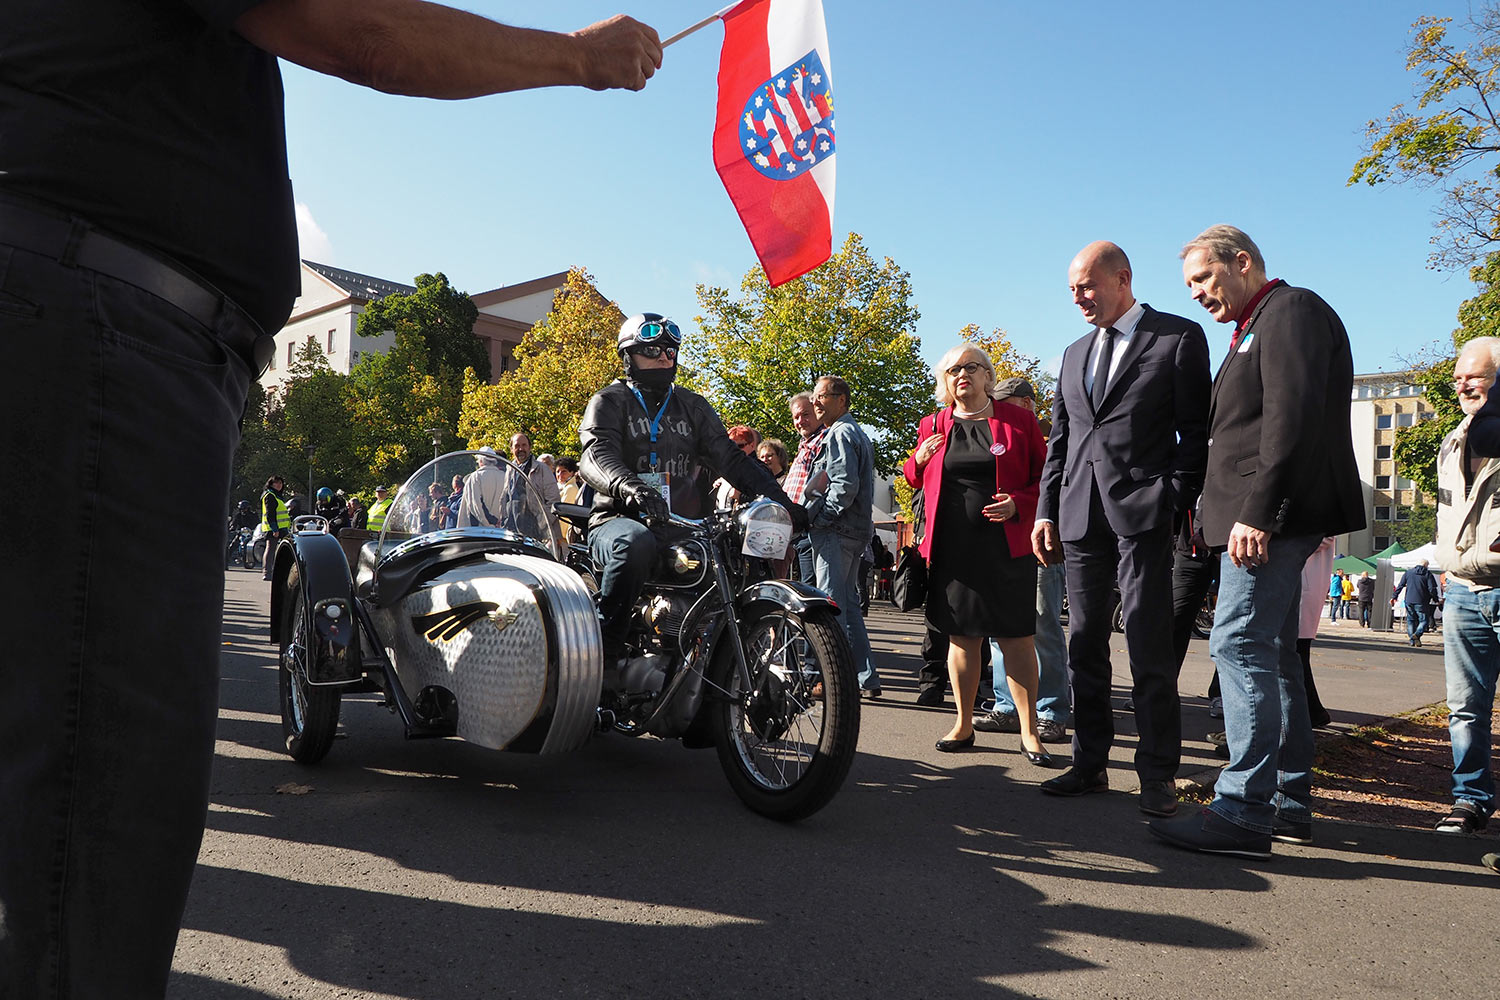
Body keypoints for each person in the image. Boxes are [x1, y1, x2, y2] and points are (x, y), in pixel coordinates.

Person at [0, 4, 665, 991]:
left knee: (70, 780)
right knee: (99, 803)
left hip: (94, 314)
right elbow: (361, 30)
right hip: (103, 324)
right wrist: (576, 58)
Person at [1149, 225, 1363, 859]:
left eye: (1203, 279)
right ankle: (1285, 800)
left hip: (1268, 518)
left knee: (1238, 641)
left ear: (1241, 263)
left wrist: (1261, 511)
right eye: (1189, 286)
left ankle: (1242, 808)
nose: (1197, 295)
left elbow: (1291, 418)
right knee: (1274, 654)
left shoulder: (1290, 310)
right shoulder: (1256, 324)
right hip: (1256, 516)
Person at [1031, 240, 1211, 817]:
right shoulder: (1073, 353)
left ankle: (1157, 774)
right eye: (1071, 290)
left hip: (1144, 515)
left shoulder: (1176, 338)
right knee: (1084, 642)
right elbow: (1061, 441)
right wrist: (1045, 509)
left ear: (1122, 279)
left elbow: (1194, 432)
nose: (1079, 298)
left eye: (1086, 286)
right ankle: (1090, 764)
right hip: (1080, 516)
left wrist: (1170, 495)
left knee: (1147, 644)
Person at [578, 314, 805, 671]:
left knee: (733, 558)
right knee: (635, 543)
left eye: (670, 351)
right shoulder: (610, 400)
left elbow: (731, 459)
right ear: (629, 355)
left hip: (683, 524)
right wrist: (629, 485)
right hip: (620, 519)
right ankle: (605, 652)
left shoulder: (692, 406)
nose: (664, 358)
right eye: (652, 350)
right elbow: (595, 454)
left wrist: (783, 503)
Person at [904, 347, 1050, 760]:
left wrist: (1019, 503)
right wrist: (918, 459)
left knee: (1016, 639)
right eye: (953, 370)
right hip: (954, 548)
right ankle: (963, 724)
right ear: (945, 382)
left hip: (1007, 547)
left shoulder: (1019, 422)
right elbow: (916, 478)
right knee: (962, 638)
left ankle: (1029, 732)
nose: (962, 374)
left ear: (988, 377)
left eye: (971, 367)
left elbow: (1049, 479)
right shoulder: (933, 424)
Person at [974, 376, 1070, 744]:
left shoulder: (1047, 439)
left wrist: (1020, 504)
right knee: (1001, 629)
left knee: (1041, 626)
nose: (995, 408)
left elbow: (1051, 486)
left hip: (1039, 544)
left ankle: (1050, 711)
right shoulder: (996, 433)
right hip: (1000, 545)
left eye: (1004, 401)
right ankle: (1008, 706)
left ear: (1028, 404)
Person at [1430, 335, 1500, 835]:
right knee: (1466, 707)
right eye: (1458, 377)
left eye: (1474, 375)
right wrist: (1445, 562)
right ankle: (1471, 799)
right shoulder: (1453, 438)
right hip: (1461, 589)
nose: (1463, 385)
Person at [808, 375, 883, 698]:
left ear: (842, 400)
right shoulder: (855, 433)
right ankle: (866, 678)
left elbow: (843, 486)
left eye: (821, 396)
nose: (815, 403)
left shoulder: (839, 433)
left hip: (836, 531)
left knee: (831, 605)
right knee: (849, 606)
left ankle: (834, 680)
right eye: (814, 397)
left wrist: (822, 519)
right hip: (854, 531)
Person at [783, 392, 827, 584]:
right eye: (796, 417)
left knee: (812, 588)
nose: (800, 421)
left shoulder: (824, 439)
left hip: (810, 527)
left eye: (805, 414)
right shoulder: (805, 444)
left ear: (818, 412)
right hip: (795, 527)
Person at [507, 431, 563, 546]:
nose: (521, 449)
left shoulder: (542, 469)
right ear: (511, 449)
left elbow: (554, 501)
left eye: (524, 445)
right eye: (517, 446)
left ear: (530, 447)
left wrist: (540, 525)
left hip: (541, 537)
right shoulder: (509, 470)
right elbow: (505, 499)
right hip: (516, 534)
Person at [457, 446, 508, 528]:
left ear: (480, 461)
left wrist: (487, 524)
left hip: (478, 531)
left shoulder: (475, 477)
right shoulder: (505, 477)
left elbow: (475, 504)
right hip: (500, 530)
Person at [1394, 559, 1440, 647]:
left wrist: (1394, 596)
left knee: (1410, 620)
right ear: (1426, 565)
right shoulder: (1428, 574)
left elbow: (1400, 585)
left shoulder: (1408, 573)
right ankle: (1417, 634)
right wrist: (1436, 599)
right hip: (1422, 600)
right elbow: (1432, 589)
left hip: (1409, 600)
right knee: (1424, 620)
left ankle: (1412, 640)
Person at [715, 425, 761, 508]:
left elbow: (768, 500)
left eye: (740, 446)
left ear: (752, 445)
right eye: (731, 447)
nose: (735, 451)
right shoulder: (730, 469)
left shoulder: (759, 469)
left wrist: (741, 497)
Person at [260, 475, 292, 579]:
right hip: (274, 528)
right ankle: (267, 572)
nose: (279, 485)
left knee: (285, 549)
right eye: (276, 483)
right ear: (271, 484)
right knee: (271, 549)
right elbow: (270, 514)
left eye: (280, 483)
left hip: (281, 528)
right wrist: (275, 529)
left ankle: (282, 571)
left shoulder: (277, 495)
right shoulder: (270, 495)